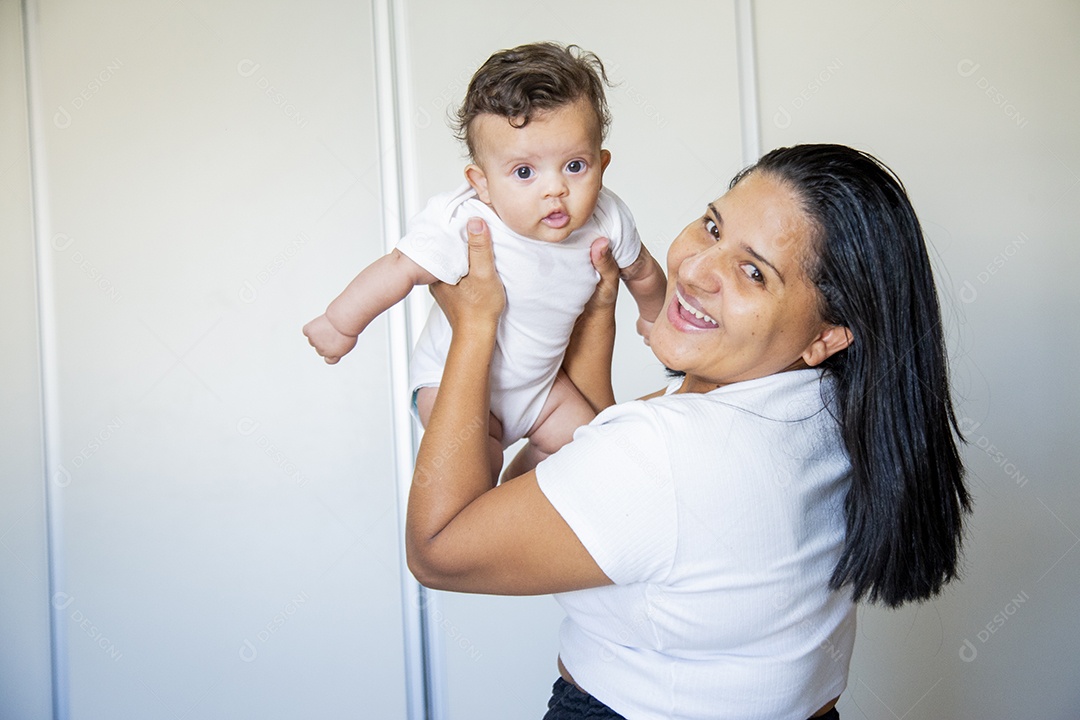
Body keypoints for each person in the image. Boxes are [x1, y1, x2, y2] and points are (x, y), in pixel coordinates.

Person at [405, 144, 971, 720]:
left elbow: (439, 550)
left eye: (753, 272)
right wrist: (599, 317)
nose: (696, 269)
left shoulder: (672, 450)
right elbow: (601, 464)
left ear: (828, 334)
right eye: (712, 226)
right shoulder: (832, 408)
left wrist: (474, 326)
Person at [303, 42, 666, 477]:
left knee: (590, 452)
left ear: (602, 165)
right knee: (473, 475)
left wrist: (653, 315)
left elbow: (641, 271)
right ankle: (493, 500)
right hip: (453, 385)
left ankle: (518, 488)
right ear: (483, 183)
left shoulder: (608, 217)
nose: (555, 189)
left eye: (574, 166)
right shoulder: (466, 220)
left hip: (542, 390)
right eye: (525, 172)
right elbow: (400, 268)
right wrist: (341, 322)